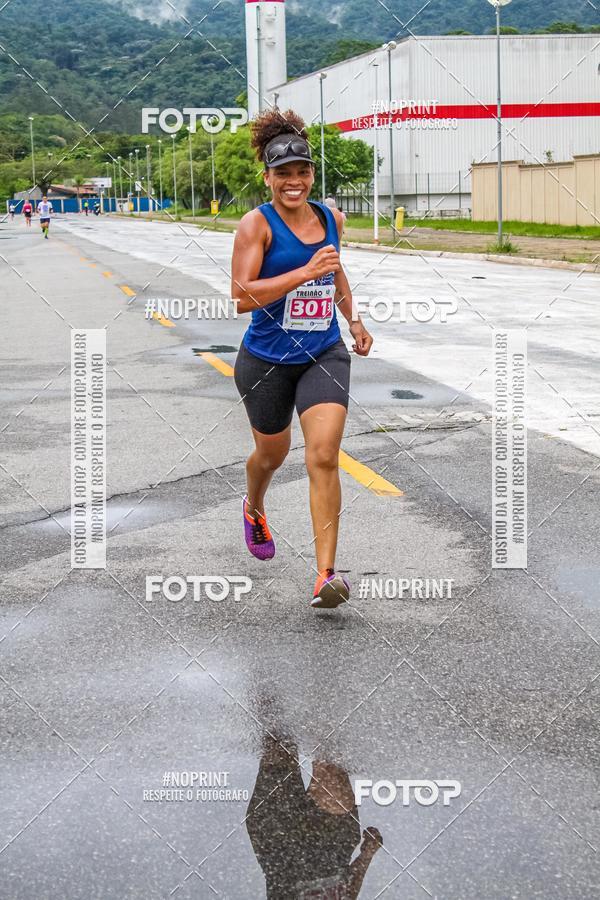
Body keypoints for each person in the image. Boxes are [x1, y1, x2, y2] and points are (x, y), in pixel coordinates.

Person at [231, 109, 373, 609]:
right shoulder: (256, 225)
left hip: (323, 351)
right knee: (271, 455)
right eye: (282, 173)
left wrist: (352, 319)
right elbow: (242, 295)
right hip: (265, 359)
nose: (294, 181)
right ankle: (254, 504)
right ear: (267, 177)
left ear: (312, 174)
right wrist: (301, 271)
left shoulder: (330, 217)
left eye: (302, 172)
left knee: (323, 455)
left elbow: (335, 272)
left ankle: (326, 576)